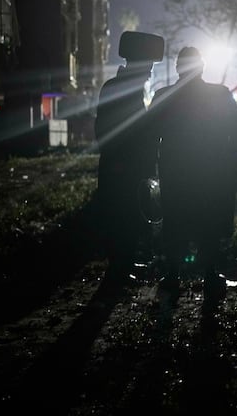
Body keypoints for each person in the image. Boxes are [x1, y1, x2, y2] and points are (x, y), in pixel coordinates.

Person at [147, 47, 237, 297]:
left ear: (179, 68)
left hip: (176, 171)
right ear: (201, 68)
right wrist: (234, 165)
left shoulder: (163, 95)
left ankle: (173, 273)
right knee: (209, 221)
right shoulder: (220, 94)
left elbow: (149, 135)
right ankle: (210, 272)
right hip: (211, 171)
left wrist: (150, 168)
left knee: (175, 221)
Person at [94, 31, 163, 289]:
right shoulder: (124, 90)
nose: (149, 73)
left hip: (119, 166)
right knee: (122, 218)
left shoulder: (116, 87)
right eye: (148, 67)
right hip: (121, 168)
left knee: (124, 217)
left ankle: (121, 265)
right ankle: (118, 270)